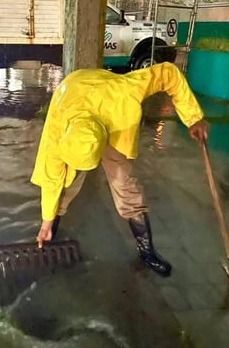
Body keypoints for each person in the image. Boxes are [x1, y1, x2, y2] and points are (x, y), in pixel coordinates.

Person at [30, 62, 209, 277]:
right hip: (76, 98)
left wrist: (194, 118)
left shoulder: (126, 92)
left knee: (127, 188)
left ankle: (147, 252)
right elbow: (51, 180)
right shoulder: (57, 135)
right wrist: (45, 223)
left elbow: (169, 73)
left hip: (112, 117)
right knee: (63, 186)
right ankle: (49, 236)